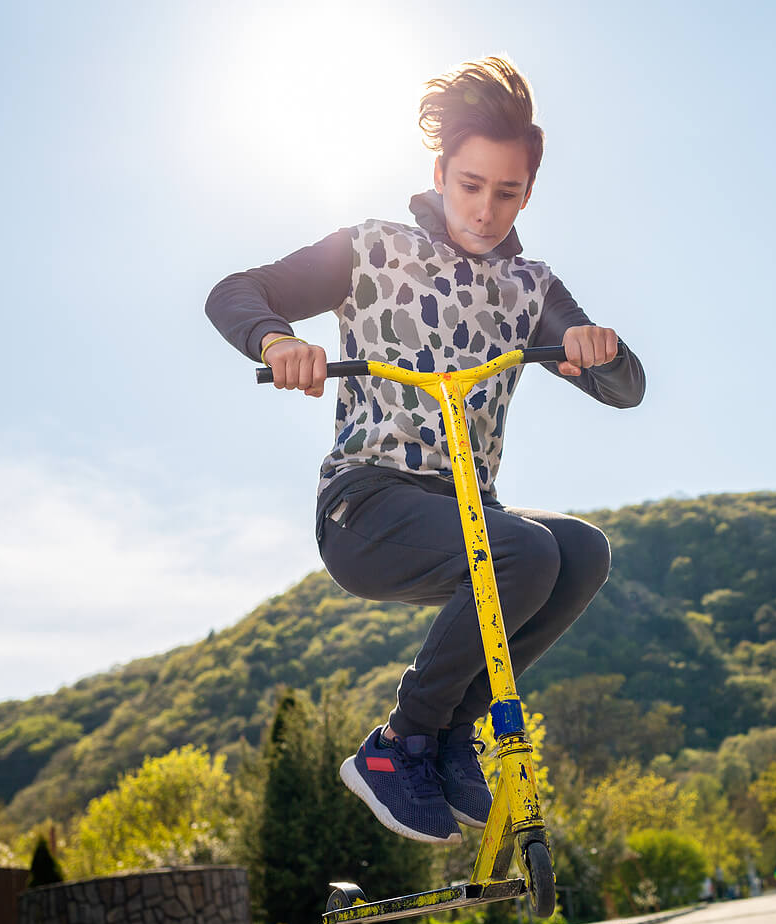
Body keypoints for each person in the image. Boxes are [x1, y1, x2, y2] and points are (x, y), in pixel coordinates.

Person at [205, 57, 645, 845]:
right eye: (470, 185)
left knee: (578, 551)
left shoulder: (531, 289)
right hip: (367, 505)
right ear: (440, 172)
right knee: (522, 554)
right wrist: (275, 340)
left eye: (507, 193)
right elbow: (236, 291)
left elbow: (625, 387)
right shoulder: (371, 250)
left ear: (529, 192)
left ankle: (445, 735)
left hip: (468, 514)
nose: (485, 210)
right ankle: (397, 743)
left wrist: (597, 350)